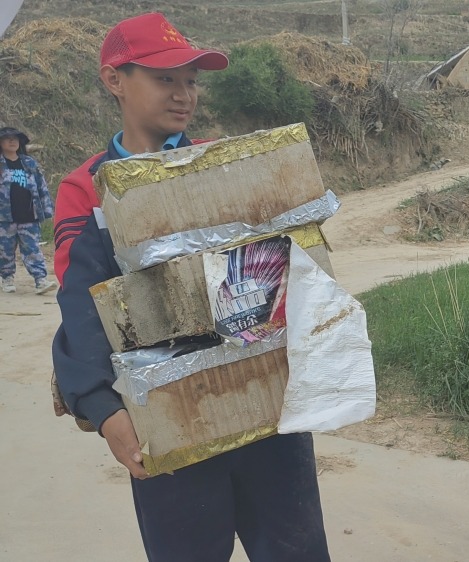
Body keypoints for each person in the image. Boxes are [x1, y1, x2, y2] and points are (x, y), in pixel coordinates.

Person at [51, 13, 331, 562]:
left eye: (192, 81)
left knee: (296, 549)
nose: (184, 95)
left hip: (265, 405)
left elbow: (289, 265)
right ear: (115, 80)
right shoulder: (87, 189)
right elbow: (86, 307)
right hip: (169, 416)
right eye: (164, 79)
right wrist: (104, 410)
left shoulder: (223, 168)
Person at [0, 126, 56, 295]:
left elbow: (42, 187)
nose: (12, 141)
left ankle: (40, 280)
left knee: (32, 249)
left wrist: (47, 210)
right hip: (4, 217)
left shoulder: (29, 163)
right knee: (5, 250)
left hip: (29, 215)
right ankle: (7, 278)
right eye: (8, 138)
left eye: (15, 138)